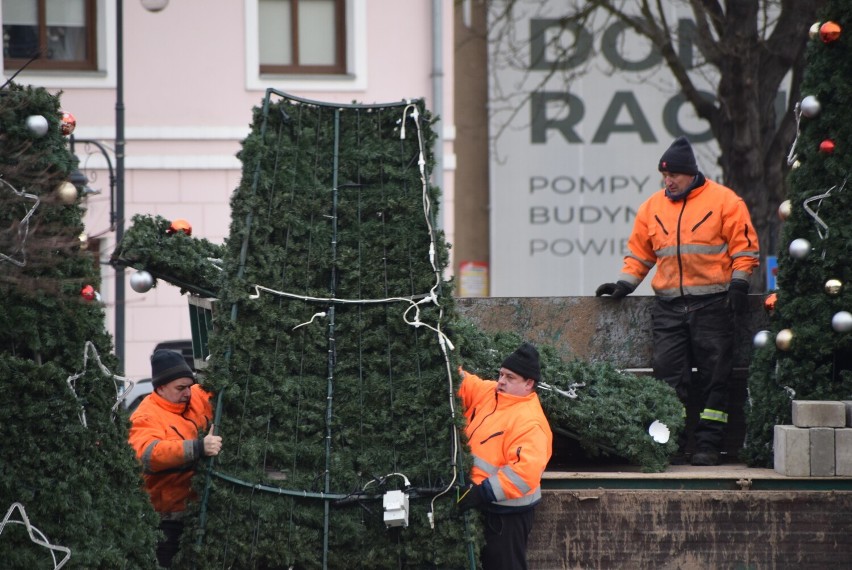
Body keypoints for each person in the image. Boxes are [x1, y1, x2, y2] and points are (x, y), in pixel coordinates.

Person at [596, 136, 759, 467]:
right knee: (669, 380)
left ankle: (709, 446)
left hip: (713, 305)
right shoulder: (651, 208)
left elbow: (744, 248)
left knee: (717, 378)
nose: (668, 182)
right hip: (669, 308)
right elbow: (641, 254)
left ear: (691, 174)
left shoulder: (725, 201)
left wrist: (739, 284)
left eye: (674, 176)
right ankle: (671, 444)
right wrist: (624, 285)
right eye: (664, 176)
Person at [456, 342, 553, 570]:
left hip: (507, 517)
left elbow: (523, 474)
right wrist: (445, 356)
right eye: (501, 374)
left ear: (529, 383)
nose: (501, 381)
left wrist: (482, 493)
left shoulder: (531, 423)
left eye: (510, 377)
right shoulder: (492, 394)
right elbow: (464, 384)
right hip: (483, 503)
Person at [129, 349, 223, 568]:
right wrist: (198, 448)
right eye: (180, 388)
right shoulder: (145, 417)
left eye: (189, 386)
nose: (187, 393)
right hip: (167, 521)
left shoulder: (194, 395)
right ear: (160, 387)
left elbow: (220, 389)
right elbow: (148, 454)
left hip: (200, 513)